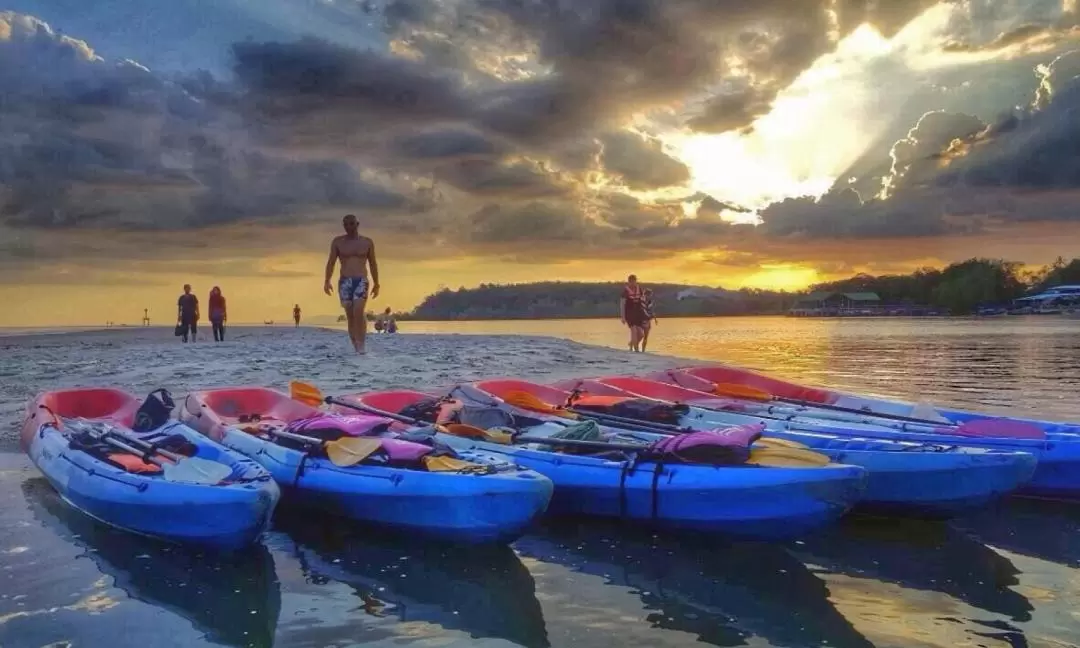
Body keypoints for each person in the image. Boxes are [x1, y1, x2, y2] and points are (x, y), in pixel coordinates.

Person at [324, 214, 380, 354]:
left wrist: (377, 283)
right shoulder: (338, 242)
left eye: (352, 224)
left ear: (357, 224)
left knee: (359, 311)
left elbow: (373, 263)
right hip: (345, 281)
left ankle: (361, 345)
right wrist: (327, 281)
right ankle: (355, 345)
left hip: (361, 280)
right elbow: (331, 262)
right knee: (350, 314)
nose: (349, 227)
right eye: (346, 224)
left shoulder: (367, 242)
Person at [619, 274, 648, 352]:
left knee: (641, 334)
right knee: (634, 331)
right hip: (629, 313)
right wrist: (623, 317)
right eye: (631, 282)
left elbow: (643, 302)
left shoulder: (640, 289)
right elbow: (622, 304)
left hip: (638, 314)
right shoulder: (625, 291)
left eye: (634, 281)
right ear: (628, 282)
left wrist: (645, 315)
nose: (633, 283)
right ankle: (636, 350)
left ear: (636, 281)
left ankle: (632, 344)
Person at [640, 288, 658, 352]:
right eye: (648, 295)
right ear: (645, 295)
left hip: (648, 321)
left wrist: (655, 319)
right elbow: (642, 311)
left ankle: (643, 350)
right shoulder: (641, 301)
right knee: (640, 335)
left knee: (646, 336)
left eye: (650, 295)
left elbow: (652, 311)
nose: (649, 296)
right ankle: (633, 345)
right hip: (642, 321)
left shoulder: (650, 302)